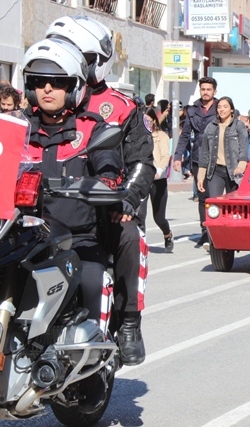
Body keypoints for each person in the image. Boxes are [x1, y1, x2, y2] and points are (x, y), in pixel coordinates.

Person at [46, 15, 156, 365]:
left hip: (104, 207)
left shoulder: (121, 108)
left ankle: (129, 322)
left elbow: (142, 161)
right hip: (46, 208)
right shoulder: (40, 108)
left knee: (129, 234)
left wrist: (126, 196)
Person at [22, 39, 123, 411]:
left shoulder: (93, 129)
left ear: (75, 87)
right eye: (39, 80)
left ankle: (94, 371)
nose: (47, 88)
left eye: (58, 82)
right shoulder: (17, 127)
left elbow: (110, 168)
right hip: (22, 235)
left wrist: (108, 182)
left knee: (93, 280)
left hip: (75, 240)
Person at [196, 96, 249, 250]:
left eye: (225, 107)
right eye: (219, 107)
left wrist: (241, 166)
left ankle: (234, 237)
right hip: (215, 171)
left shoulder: (238, 126)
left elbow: (244, 150)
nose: (222, 109)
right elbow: (204, 153)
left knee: (234, 207)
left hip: (234, 172)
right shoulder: (211, 127)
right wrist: (201, 175)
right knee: (214, 205)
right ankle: (214, 240)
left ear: (231, 109)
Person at [172, 77, 219, 247]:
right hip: (198, 158)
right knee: (203, 197)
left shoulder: (221, 108)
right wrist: (177, 157)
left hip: (218, 159)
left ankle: (218, 230)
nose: (205, 92)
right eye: (203, 89)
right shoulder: (192, 111)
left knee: (217, 197)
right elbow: (185, 135)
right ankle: (205, 232)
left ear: (214, 91)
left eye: (209, 89)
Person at [138, 108, 174, 253]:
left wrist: (159, 170)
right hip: (142, 178)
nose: (147, 123)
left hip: (157, 179)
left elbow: (166, 155)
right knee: (140, 214)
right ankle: (141, 244)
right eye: (144, 121)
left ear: (154, 121)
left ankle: (167, 234)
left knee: (159, 217)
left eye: (149, 120)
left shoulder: (161, 136)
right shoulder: (137, 135)